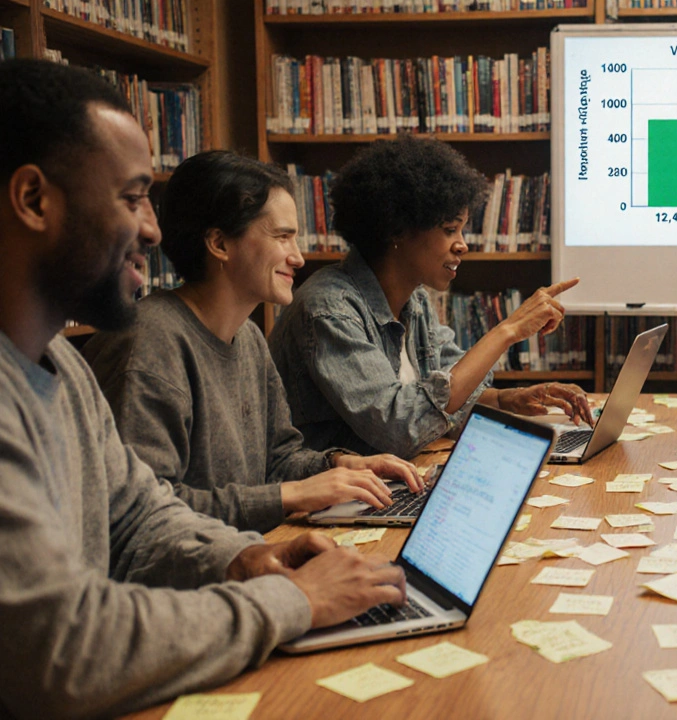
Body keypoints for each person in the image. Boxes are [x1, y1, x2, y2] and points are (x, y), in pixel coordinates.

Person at [0, 60, 406, 718]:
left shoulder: (58, 365)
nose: (155, 232)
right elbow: (59, 649)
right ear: (35, 200)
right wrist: (293, 601)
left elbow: (138, 516)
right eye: (132, 199)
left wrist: (247, 557)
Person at [82, 151, 424, 534]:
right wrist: (289, 496)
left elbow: (278, 458)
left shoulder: (247, 337)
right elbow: (143, 512)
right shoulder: (149, 343)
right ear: (219, 243)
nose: (297, 257)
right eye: (282, 237)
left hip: (236, 558)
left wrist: (340, 465)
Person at [270, 136, 593, 459]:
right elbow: (401, 429)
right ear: (396, 228)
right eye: (450, 229)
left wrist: (509, 399)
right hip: (331, 503)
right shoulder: (329, 310)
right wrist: (507, 331)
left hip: (388, 484)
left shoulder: (416, 300)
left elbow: (447, 396)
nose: (462, 244)